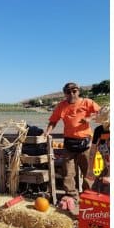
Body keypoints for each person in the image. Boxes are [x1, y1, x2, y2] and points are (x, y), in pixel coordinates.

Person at [44, 82, 100, 210]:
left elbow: (101, 113)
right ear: (65, 94)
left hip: (85, 143)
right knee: (68, 173)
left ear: (78, 91)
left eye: (74, 91)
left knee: (88, 173)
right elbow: (53, 121)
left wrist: (89, 118)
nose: (71, 94)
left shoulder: (87, 102)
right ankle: (72, 196)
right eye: (68, 92)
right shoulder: (61, 106)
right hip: (69, 143)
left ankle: (88, 196)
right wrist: (47, 132)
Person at [85, 106, 110, 194]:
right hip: (106, 168)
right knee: (96, 190)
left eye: (99, 113)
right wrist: (90, 170)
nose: (97, 115)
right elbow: (92, 151)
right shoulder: (99, 130)